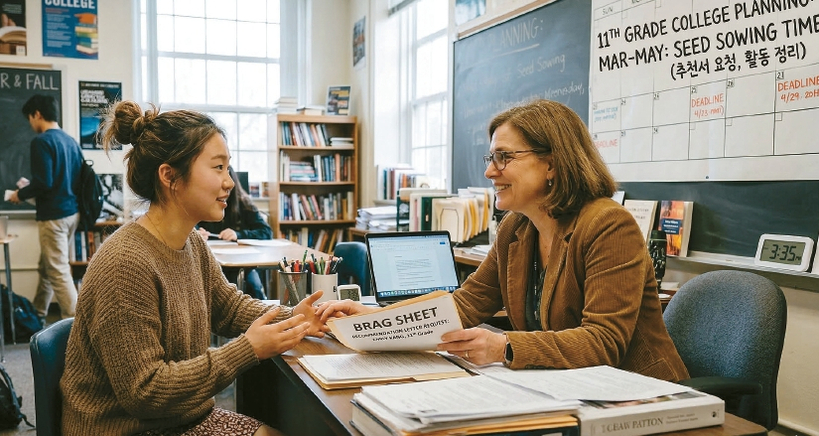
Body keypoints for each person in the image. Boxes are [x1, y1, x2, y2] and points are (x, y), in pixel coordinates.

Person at [319, 99, 689, 382]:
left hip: (639, 396)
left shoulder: (609, 224)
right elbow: (465, 304)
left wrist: (505, 346)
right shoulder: (516, 228)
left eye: (504, 157)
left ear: (552, 164)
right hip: (566, 388)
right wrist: (375, 320)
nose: (489, 170)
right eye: (490, 157)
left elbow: (604, 341)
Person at [60, 100, 328, 436]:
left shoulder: (192, 243)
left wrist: (292, 318)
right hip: (131, 429)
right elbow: (145, 391)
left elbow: (228, 308)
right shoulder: (124, 265)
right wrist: (247, 349)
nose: (229, 182)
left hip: (183, 418)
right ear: (169, 176)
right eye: (218, 168)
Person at [8, 94, 82, 321]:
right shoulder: (71, 141)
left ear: (37, 114)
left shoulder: (42, 142)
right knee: (47, 267)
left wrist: (19, 194)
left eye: (30, 118)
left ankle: (78, 325)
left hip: (54, 216)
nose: (31, 124)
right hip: (72, 213)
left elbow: (44, 182)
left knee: (58, 271)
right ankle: (39, 313)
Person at [197, 166, 272, 299]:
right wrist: (197, 233)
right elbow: (189, 226)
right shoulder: (201, 203)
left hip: (241, 265)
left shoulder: (244, 204)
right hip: (210, 263)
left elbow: (266, 232)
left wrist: (239, 235)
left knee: (253, 287)